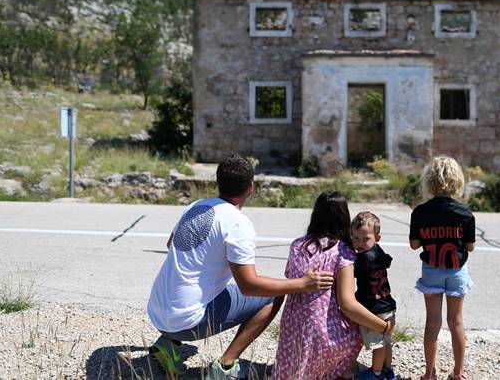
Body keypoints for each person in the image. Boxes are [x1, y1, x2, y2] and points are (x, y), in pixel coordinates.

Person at [146, 154, 334, 379]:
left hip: (157, 313)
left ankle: (168, 344)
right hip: (186, 322)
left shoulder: (196, 206)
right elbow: (249, 286)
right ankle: (225, 366)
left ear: (217, 184)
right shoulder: (237, 223)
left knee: (204, 286)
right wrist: (303, 284)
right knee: (273, 295)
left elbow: (171, 244)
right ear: (250, 188)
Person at [272, 192, 395, 380]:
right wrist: (383, 327)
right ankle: (346, 371)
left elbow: (289, 276)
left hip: (292, 327)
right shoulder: (343, 251)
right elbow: (347, 304)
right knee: (358, 330)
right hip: (323, 332)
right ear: (344, 218)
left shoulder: (297, 245)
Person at [409, 156, 476, 380]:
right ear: (457, 180)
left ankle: (429, 373)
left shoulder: (420, 212)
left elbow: (414, 245)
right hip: (457, 269)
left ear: (429, 180)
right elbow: (470, 246)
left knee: (433, 321)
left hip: (431, 268)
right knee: (456, 321)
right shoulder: (465, 213)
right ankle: (458, 373)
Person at [351, 211, 397, 380]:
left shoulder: (362, 259)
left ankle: (376, 373)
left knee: (378, 344)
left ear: (377, 238)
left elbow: (350, 274)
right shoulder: (378, 251)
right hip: (388, 305)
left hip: (374, 309)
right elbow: (387, 261)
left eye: (365, 239)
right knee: (386, 341)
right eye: (355, 238)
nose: (359, 243)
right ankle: (387, 370)